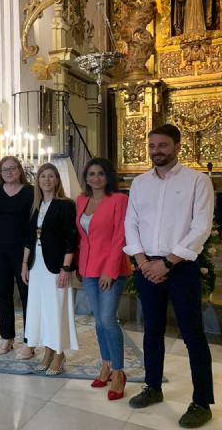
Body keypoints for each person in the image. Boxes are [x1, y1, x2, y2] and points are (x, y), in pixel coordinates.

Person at [124, 124, 214, 428]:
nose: (156, 151)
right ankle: (153, 387)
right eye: (152, 146)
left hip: (181, 267)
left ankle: (201, 401)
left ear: (177, 146)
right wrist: (142, 260)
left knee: (192, 335)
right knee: (152, 329)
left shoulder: (197, 181)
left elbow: (200, 227)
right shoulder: (139, 183)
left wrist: (168, 263)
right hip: (147, 265)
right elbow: (131, 223)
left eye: (162, 145)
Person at [76, 158, 130, 400]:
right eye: (91, 173)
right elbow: (82, 237)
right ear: (86, 177)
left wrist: (110, 269)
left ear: (108, 177)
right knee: (98, 321)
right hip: (88, 268)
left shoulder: (119, 200)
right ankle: (106, 364)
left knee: (108, 319)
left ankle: (119, 372)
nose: (95, 178)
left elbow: (121, 236)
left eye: (100, 174)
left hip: (112, 269)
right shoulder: (81, 200)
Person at [21, 163, 78, 376]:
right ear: (38, 180)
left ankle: (59, 353)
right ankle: (47, 351)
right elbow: (29, 237)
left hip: (56, 266)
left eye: (51, 176)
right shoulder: (36, 205)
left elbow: (70, 240)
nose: (47, 180)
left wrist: (66, 268)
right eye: (43, 176)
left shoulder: (65, 205)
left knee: (56, 309)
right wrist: (25, 264)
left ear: (57, 180)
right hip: (36, 265)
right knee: (41, 310)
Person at [0, 156, 34, 357]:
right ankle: (7, 337)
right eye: (5, 170)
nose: (9, 172)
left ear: (20, 170)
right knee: (3, 294)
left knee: (26, 295)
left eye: (12, 168)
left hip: (23, 252)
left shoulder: (30, 192)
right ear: (0, 173)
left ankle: (29, 340)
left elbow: (34, 222)